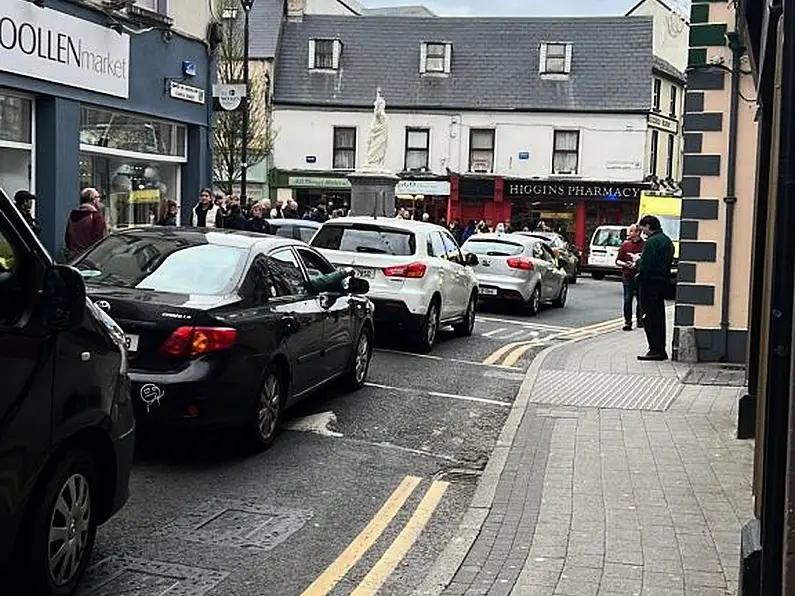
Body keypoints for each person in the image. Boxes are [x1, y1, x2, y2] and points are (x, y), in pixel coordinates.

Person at [636, 215, 674, 361]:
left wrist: (638, 264)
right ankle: (660, 348)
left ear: (648, 226)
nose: (642, 231)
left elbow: (646, 266)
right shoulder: (667, 241)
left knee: (649, 316)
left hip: (649, 283)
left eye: (643, 228)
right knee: (659, 316)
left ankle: (655, 349)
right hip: (662, 282)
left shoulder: (651, 242)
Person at [616, 224, 645, 331]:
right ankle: (627, 322)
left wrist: (636, 265)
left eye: (631, 231)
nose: (629, 233)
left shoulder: (645, 245)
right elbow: (617, 260)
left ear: (638, 232)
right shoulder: (625, 245)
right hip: (628, 275)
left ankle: (640, 320)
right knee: (627, 299)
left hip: (640, 275)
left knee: (640, 299)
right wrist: (625, 264)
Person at [65, 188, 107, 259]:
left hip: (74, 257)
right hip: (89, 257)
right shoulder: (96, 216)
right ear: (93, 199)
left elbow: (67, 238)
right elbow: (98, 240)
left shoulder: (73, 214)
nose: (99, 200)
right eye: (98, 197)